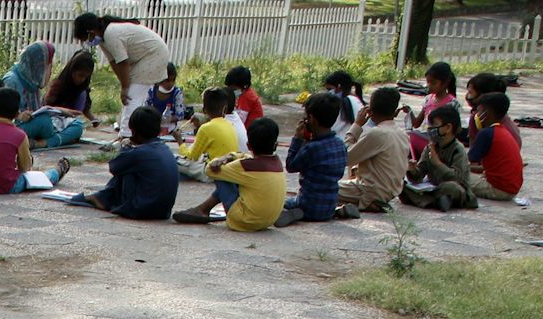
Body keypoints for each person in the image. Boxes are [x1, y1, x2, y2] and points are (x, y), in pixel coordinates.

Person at [175, 116, 285, 230]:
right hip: (269, 220)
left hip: (243, 221)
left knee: (221, 173)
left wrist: (225, 157)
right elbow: (247, 157)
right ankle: (203, 209)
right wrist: (233, 156)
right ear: (275, 145)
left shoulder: (244, 166)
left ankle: (203, 210)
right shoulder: (278, 163)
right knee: (232, 175)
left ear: (248, 146)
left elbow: (209, 170)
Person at [68, 106, 177, 218]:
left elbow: (114, 167)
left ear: (133, 130)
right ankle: (102, 197)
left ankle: (102, 199)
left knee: (125, 169)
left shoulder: (139, 153)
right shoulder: (165, 148)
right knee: (133, 167)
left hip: (139, 210)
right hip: (163, 212)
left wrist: (126, 147)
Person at [73, 12, 171, 128]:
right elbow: (113, 62)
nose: (87, 43)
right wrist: (124, 84)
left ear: (91, 32)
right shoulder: (103, 39)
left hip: (154, 54)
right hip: (142, 58)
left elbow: (123, 62)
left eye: (85, 39)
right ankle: (129, 129)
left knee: (131, 96)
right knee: (131, 94)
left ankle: (127, 134)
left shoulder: (111, 33)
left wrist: (125, 88)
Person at [0, 87, 73, 195]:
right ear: (17, 113)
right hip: (8, 186)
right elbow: (25, 168)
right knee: (39, 178)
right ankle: (57, 172)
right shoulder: (19, 135)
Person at [275, 92, 347, 227]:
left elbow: (291, 166)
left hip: (308, 205)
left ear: (312, 119)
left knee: (281, 202)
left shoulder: (312, 148)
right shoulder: (340, 144)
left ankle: (296, 213)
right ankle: (338, 211)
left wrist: (297, 139)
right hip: (330, 204)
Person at [338, 86, 410, 215]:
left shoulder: (377, 133)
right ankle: (367, 202)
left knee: (320, 188)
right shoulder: (402, 134)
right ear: (395, 112)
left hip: (371, 191)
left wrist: (357, 125)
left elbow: (345, 158)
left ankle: (366, 202)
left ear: (370, 111)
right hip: (390, 192)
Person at [5, 42, 81, 147]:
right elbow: (2, 112)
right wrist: (19, 115)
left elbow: (38, 110)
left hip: (34, 124)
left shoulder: (33, 80)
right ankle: (54, 140)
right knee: (44, 121)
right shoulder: (11, 80)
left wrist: (59, 111)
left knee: (77, 124)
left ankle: (38, 143)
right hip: (16, 127)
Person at [403, 105, 475, 212]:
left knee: (451, 188)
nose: (430, 129)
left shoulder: (458, 149)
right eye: (429, 126)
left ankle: (428, 200)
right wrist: (412, 170)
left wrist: (438, 164)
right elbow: (419, 175)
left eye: (434, 125)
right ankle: (436, 201)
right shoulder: (430, 147)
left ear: (448, 128)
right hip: (432, 187)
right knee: (402, 184)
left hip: (455, 188)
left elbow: (458, 178)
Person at [469, 92, 525, 203]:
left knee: (452, 177)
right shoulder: (503, 131)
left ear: (487, 113)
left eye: (479, 111)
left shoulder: (486, 133)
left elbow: (470, 159)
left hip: (497, 189)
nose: (476, 114)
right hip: (511, 190)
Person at [176, 87, 242, 182]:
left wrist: (180, 141)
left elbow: (191, 157)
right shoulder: (229, 124)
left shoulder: (206, 128)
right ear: (225, 109)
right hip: (228, 170)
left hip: (212, 173)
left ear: (204, 110)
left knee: (173, 160)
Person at [40, 50, 103, 139]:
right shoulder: (57, 86)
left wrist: (93, 119)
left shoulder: (82, 90)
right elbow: (46, 108)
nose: (82, 80)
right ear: (72, 71)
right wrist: (64, 112)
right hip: (52, 121)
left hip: (70, 122)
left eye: (86, 77)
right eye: (80, 75)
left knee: (77, 128)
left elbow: (85, 109)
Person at [408, 61, 458, 157]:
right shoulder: (428, 99)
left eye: (433, 83)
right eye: (428, 82)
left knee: (410, 138)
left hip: (439, 143)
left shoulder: (452, 103)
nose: (429, 86)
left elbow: (454, 130)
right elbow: (416, 123)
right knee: (406, 138)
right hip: (424, 137)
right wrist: (409, 112)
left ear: (445, 83)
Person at [466, 73, 523, 148]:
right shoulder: (503, 117)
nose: (467, 96)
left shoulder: (477, 118)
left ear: (483, 96)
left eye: (470, 93)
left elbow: (473, 154)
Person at [146, 62, 189, 130]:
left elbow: (180, 115)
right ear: (160, 79)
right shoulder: (151, 92)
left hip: (171, 129)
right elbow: (145, 112)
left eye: (173, 80)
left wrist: (166, 120)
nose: (170, 84)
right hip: (153, 129)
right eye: (167, 80)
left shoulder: (177, 93)